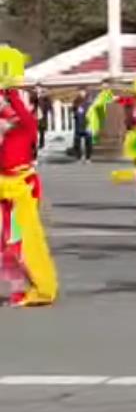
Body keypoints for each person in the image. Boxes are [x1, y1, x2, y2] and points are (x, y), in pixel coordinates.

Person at [0, 51, 56, 307]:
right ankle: (20, 286)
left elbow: (21, 113)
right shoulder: (7, 124)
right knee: (7, 242)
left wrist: (10, 90)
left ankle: (41, 287)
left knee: (26, 240)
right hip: (4, 187)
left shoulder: (28, 125)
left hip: (22, 188)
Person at [71, 89, 94, 162]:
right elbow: (73, 110)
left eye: (83, 91)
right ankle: (79, 157)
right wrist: (76, 112)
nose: (81, 93)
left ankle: (88, 157)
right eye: (80, 91)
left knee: (88, 141)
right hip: (79, 123)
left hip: (88, 123)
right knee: (77, 141)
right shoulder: (76, 101)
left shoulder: (89, 101)